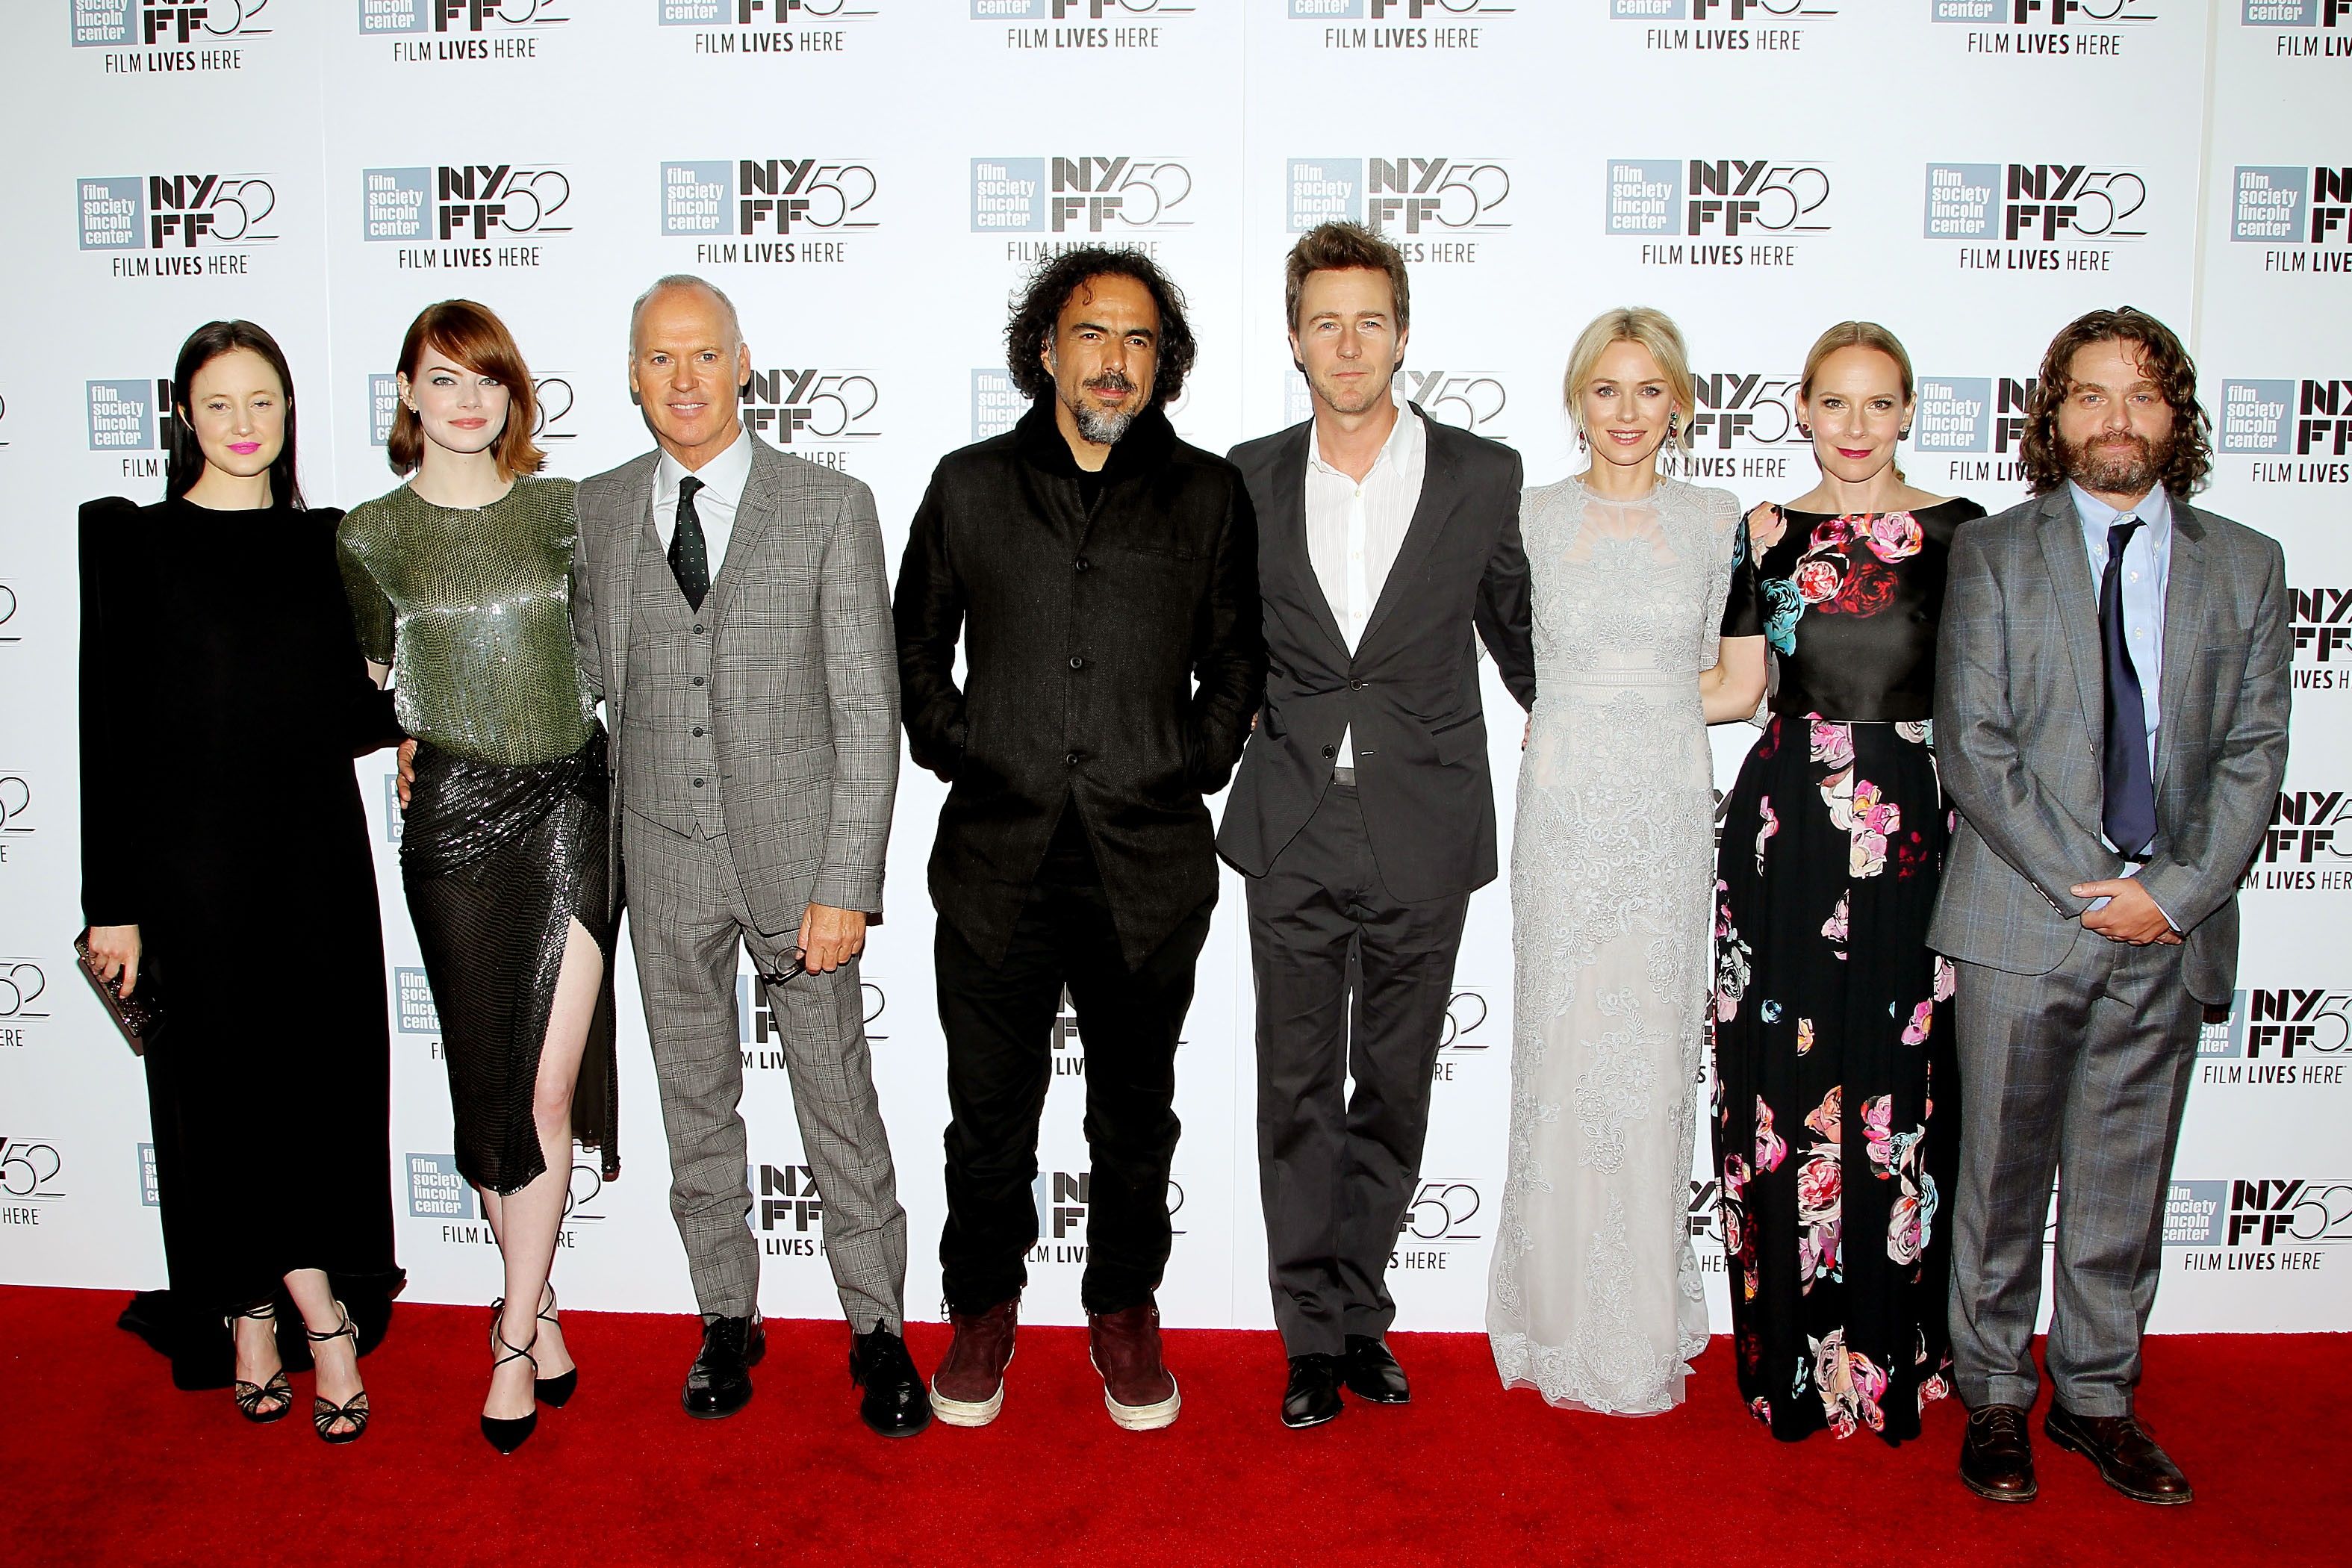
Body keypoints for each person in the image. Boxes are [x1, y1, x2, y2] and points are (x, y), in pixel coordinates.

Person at [895, 249, 1263, 1432]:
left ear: (1163, 363)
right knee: (987, 1116)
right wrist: (972, 745)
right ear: (1047, 349)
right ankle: (981, 1308)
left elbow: (1238, 661)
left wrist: (1188, 758)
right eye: (1092, 334)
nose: (1114, 359)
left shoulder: (1208, 496)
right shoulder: (967, 486)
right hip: (995, 860)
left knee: (1134, 1117)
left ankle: (1122, 1307)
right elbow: (914, 649)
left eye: (1139, 339)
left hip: (1146, 863)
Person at [1935, 307, 2290, 1505]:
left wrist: (2168, 895)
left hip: (2167, 928)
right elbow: (1974, 747)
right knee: (1997, 1177)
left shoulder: (2246, 563)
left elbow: (2254, 753)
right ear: (2054, 417)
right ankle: (1993, 1394)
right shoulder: (1992, 553)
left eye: (2141, 393)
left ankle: (2094, 1397)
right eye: (2089, 394)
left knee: (2122, 1185)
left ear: (2175, 416)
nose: (2116, 418)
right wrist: (2093, 889)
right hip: (2020, 917)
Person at [569, 275, 927, 1436]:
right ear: (634, 377)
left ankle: (878, 1329)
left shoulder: (829, 505)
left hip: (797, 866)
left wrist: (846, 881)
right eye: (659, 358)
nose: (683, 378)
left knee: (838, 1101)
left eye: (703, 355)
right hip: (660, 855)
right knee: (693, 1101)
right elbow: (575, 682)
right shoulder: (596, 509)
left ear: (742, 365)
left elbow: (868, 711)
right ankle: (726, 1316)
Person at [1219, 222, 1535, 1429]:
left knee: (1393, 1087)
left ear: (1403, 335)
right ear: (1293, 339)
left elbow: (1523, 641)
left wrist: (1603, 729)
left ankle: (1360, 1316)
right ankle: (1307, 1337)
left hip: (1424, 821)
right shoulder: (1244, 478)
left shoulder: (1480, 475)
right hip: (1292, 821)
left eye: (1368, 322)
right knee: (1294, 1089)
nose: (1347, 346)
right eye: (1324, 323)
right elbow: (1215, 641)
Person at [80, 320, 404, 1442]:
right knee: (216, 1102)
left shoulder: (330, 542)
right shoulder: (134, 544)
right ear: (183, 415)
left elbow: (343, 710)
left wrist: (412, 710)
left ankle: (319, 1312)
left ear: (289, 410)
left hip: (312, 862)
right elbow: (110, 733)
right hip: (188, 874)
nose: (243, 424)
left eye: (262, 400)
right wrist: (110, 904)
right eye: (218, 404)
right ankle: (257, 1314)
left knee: (314, 1094)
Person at [340, 300, 615, 1453]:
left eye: (487, 379)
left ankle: (507, 1335)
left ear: (514, 395)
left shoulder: (564, 512)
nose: (466, 400)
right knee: (490, 1097)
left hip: (570, 807)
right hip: (452, 822)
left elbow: (613, 653)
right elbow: (365, 682)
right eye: (443, 378)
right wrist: (409, 736)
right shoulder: (370, 536)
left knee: (545, 1095)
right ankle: (539, 1308)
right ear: (407, 392)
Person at [1486, 307, 1764, 1414]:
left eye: (1649, 390)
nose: (1627, 411)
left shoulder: (1717, 521)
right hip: (1562, 817)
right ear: (1576, 400)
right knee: (1559, 1057)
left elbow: (1738, 685)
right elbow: (1508, 644)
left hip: (1661, 815)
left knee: (1648, 1066)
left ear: (1680, 404)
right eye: (1606, 389)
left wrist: (1631, 704)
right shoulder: (1528, 516)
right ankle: (1553, 1319)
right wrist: (1564, 708)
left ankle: (1638, 1323)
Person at [1711, 322, 1983, 1444]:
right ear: (1801, 411)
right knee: (1782, 1087)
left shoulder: (1963, 535)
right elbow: (1736, 689)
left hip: (1907, 823)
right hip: (1784, 830)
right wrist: (1593, 704)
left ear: (1910, 410)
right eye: (1835, 403)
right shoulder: (1765, 534)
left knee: (1897, 1079)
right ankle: (1795, 1358)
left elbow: (1990, 694)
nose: (1857, 426)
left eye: (1879, 404)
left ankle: (1890, 1351)